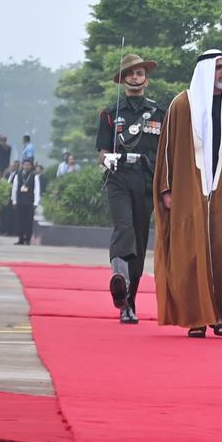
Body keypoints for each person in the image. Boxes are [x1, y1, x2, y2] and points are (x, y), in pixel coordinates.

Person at [153, 49, 222, 338]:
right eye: (218, 68)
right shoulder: (181, 105)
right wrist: (166, 188)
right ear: (205, 71)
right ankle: (197, 317)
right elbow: (166, 150)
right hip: (190, 191)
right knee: (191, 253)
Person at [97, 53, 167, 324]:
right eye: (130, 74)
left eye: (139, 73)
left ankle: (130, 300)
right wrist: (108, 159)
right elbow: (102, 152)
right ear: (123, 79)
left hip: (146, 180)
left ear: (146, 80)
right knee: (123, 227)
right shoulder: (110, 114)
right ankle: (119, 278)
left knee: (138, 239)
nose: (135, 77)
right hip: (118, 179)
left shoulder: (160, 113)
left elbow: (165, 154)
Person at [9, 159, 40, 245]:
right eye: (25, 165)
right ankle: (20, 239)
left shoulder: (34, 176)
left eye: (28, 165)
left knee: (29, 222)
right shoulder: (17, 175)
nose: (27, 166)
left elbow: (37, 190)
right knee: (20, 221)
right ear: (22, 165)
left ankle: (28, 239)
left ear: (31, 166)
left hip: (30, 202)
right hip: (19, 201)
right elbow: (14, 189)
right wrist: (14, 200)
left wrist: (36, 202)